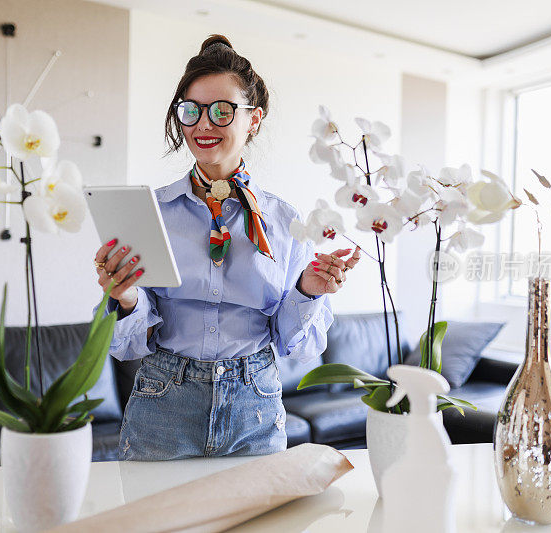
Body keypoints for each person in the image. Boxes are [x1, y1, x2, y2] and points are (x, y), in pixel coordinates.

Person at [93, 34, 361, 461]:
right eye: (191, 111)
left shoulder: (286, 222)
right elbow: (125, 344)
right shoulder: (151, 213)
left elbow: (300, 345)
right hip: (163, 400)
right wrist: (124, 298)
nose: (203, 125)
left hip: (254, 404)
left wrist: (307, 291)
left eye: (222, 111)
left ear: (253, 120)